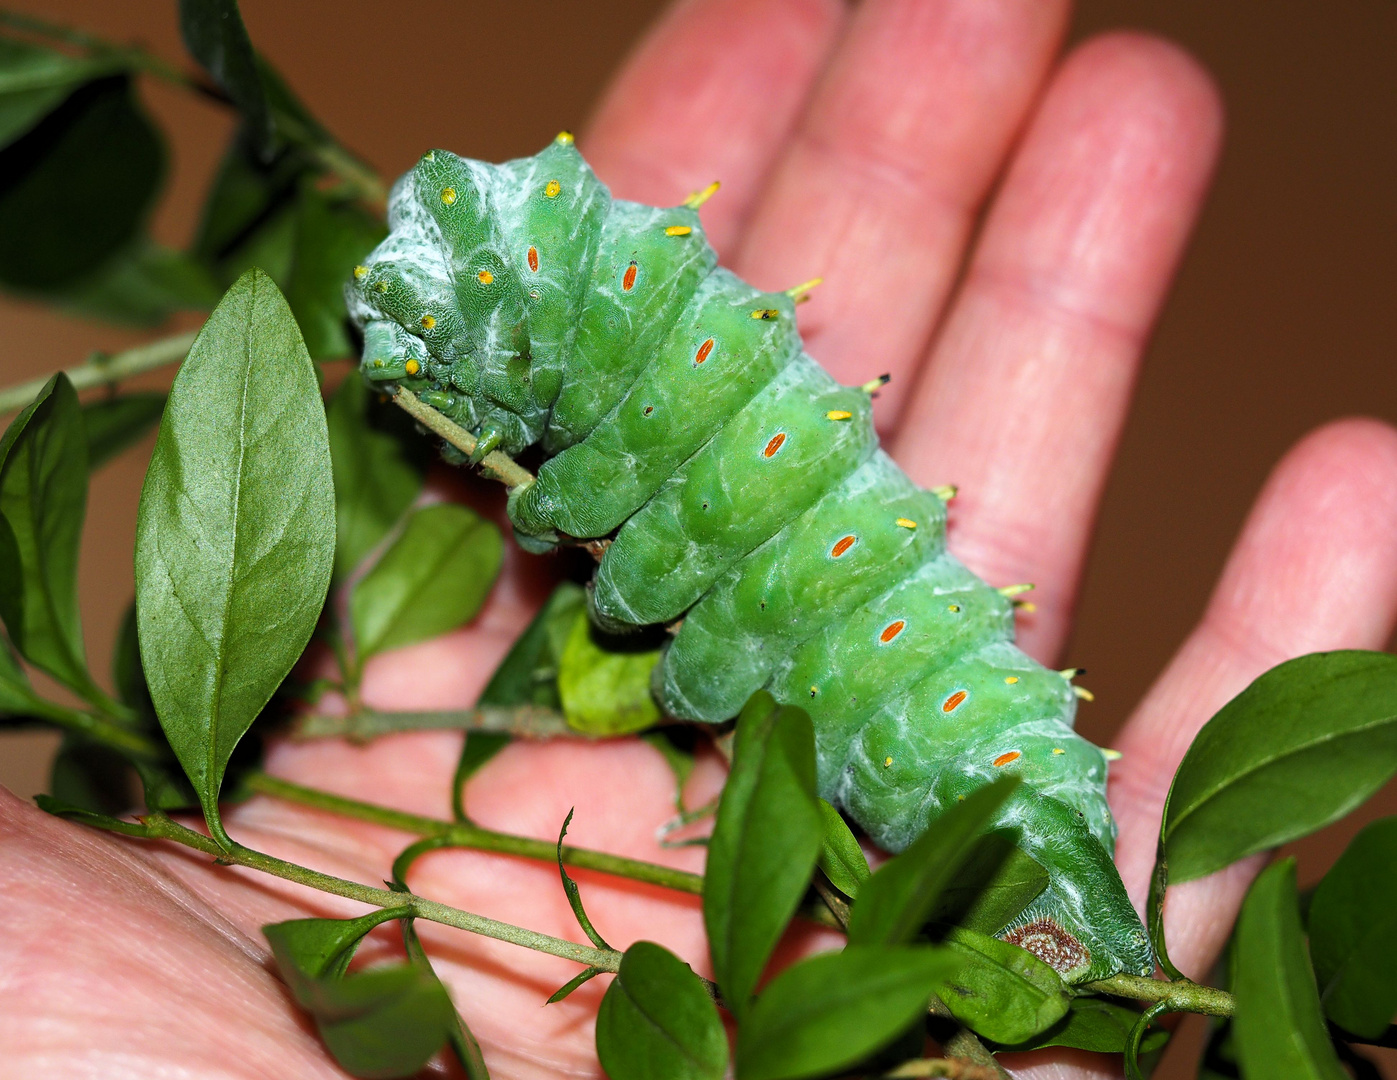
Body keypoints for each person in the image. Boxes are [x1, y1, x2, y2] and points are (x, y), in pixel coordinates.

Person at [4, 1, 1395, 1076]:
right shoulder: (637, 374)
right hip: (920, 692)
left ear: (523, 306)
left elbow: (655, 578)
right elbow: (658, 564)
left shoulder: (639, 371)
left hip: (939, 718)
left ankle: (1069, 919)